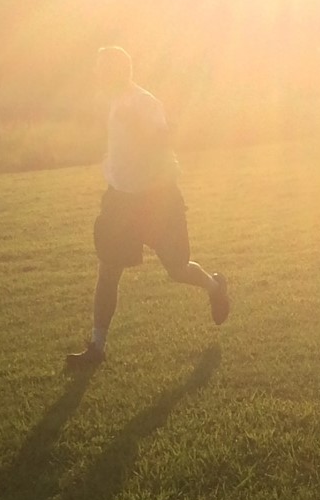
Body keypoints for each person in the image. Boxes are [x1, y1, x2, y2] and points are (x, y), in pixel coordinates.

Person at [65, 46, 229, 369]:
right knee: (108, 271)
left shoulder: (144, 102)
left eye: (102, 69)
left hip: (156, 199)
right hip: (119, 200)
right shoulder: (110, 102)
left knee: (177, 268)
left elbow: (164, 141)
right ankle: (97, 347)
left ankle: (215, 286)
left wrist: (138, 128)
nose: (97, 75)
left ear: (119, 72)